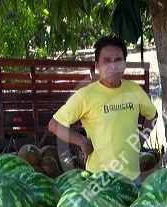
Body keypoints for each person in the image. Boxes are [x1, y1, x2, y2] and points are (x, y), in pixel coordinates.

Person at [48, 35, 157, 183]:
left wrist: (143, 137)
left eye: (118, 60)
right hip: (99, 181)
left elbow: (153, 115)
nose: (113, 65)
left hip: (132, 179)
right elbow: (54, 124)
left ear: (124, 64)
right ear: (97, 65)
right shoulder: (85, 95)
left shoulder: (135, 90)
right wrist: (82, 141)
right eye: (106, 61)